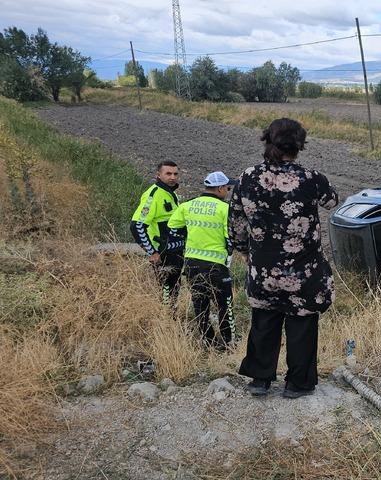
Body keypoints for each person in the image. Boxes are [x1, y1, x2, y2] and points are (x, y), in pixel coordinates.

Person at [229, 118, 338, 398]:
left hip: (263, 268)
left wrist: (244, 251)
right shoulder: (311, 179)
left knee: (263, 321)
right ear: (299, 145)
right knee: (302, 323)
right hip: (304, 270)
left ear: (267, 140)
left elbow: (237, 223)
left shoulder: (248, 177)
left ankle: (260, 380)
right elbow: (332, 202)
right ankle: (297, 384)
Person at [168, 171, 236, 350]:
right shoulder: (225, 208)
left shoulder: (187, 205)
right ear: (220, 188)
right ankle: (230, 343)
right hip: (216, 265)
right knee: (225, 305)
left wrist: (189, 236)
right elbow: (230, 236)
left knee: (200, 305)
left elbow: (173, 227)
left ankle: (209, 342)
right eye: (227, 188)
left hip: (191, 264)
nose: (228, 191)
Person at [130, 160, 184, 305]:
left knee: (174, 291)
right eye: (168, 173)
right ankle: (166, 323)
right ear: (158, 175)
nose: (172, 177)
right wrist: (152, 252)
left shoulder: (171, 193)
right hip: (162, 253)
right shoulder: (153, 195)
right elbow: (137, 225)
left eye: (175, 174)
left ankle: (171, 322)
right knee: (166, 293)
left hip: (176, 252)